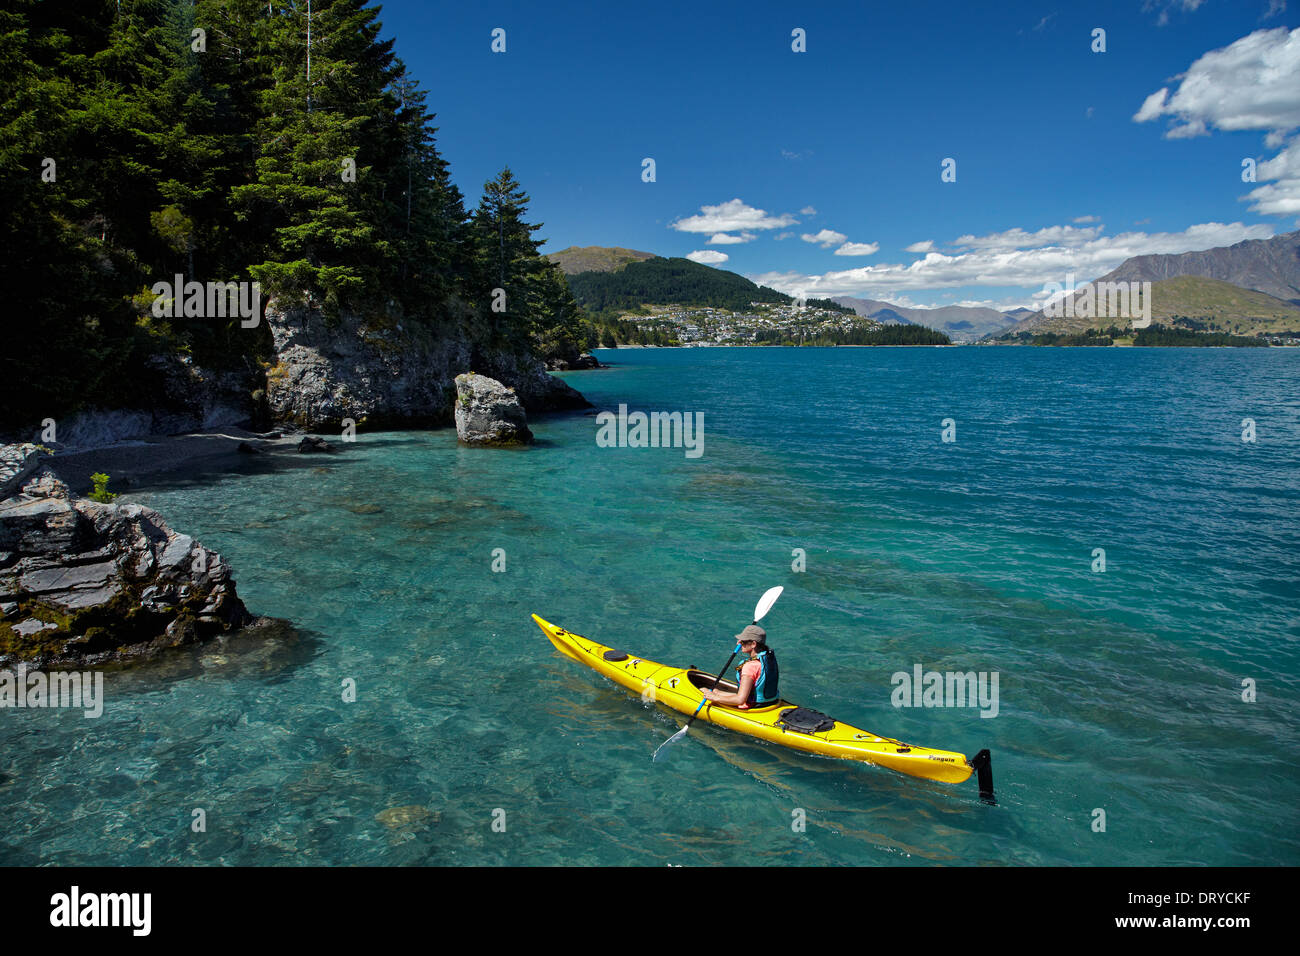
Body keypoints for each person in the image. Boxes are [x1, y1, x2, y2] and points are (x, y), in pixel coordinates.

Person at [700, 624, 779, 709]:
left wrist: (714, 698)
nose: (738, 643)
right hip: (770, 702)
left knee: (707, 692)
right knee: (715, 690)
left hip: (753, 706)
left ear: (753, 644)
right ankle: (716, 692)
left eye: (743, 641)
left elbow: (740, 700)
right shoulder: (768, 658)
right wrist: (716, 693)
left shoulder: (750, 667)